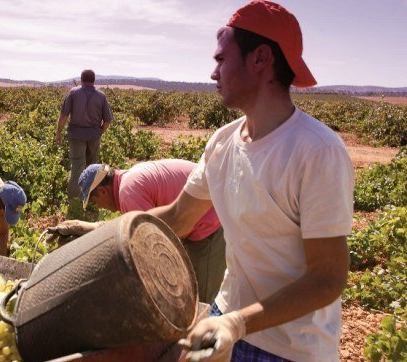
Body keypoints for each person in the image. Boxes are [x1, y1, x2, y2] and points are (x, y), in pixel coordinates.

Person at [153, 1, 354, 361]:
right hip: (226, 318)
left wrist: (238, 324)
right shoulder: (223, 142)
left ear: (260, 59)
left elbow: (328, 278)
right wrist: (106, 235)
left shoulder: (317, 151)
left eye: (220, 60)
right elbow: (180, 215)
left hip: (288, 349)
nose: (213, 73)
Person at [50, 160, 226, 304]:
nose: (100, 207)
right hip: (200, 216)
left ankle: (219, 344)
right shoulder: (129, 180)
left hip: (209, 222)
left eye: (95, 202)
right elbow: (128, 226)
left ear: (103, 191)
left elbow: (150, 241)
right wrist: (84, 228)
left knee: (200, 300)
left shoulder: (128, 193)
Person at [54, 69, 113, 206]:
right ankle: (92, 200)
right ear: (94, 80)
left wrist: (58, 132)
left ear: (81, 79)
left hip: (76, 136)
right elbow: (108, 120)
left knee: (77, 168)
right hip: (94, 135)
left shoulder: (73, 93)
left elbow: (64, 116)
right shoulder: (101, 96)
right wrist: (99, 132)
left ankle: (74, 202)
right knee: (93, 167)